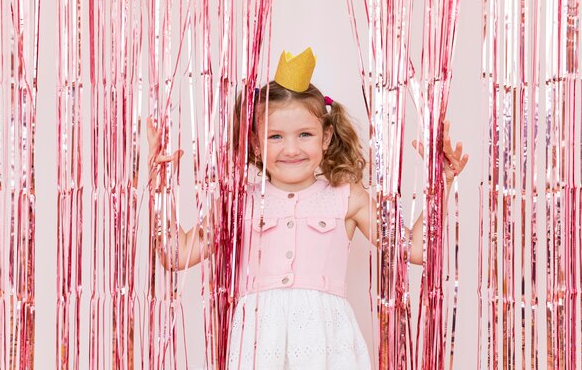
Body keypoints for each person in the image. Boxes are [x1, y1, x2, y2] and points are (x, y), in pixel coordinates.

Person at [147, 47, 469, 369]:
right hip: (258, 345)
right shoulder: (238, 202)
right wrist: (159, 188)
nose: (291, 148)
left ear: (326, 137)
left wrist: (439, 185)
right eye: (275, 136)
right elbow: (177, 255)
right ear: (256, 144)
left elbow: (413, 248)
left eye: (305, 134)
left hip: (327, 345)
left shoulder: (347, 197)